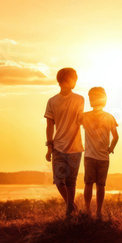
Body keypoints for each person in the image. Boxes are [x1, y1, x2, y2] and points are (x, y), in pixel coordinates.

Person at [45, 67, 85, 218]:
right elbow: (50, 126)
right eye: (73, 78)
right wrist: (49, 147)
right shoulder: (52, 101)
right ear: (62, 81)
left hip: (75, 146)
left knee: (71, 181)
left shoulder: (80, 99)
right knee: (58, 179)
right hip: (58, 146)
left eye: (76, 78)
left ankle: (69, 211)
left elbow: (79, 121)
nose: (75, 81)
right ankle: (72, 206)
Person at [81, 86, 119, 221]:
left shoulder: (89, 116)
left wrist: (110, 148)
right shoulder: (87, 116)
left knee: (94, 184)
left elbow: (115, 136)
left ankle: (94, 211)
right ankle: (92, 211)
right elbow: (116, 136)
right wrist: (110, 148)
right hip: (96, 156)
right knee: (95, 184)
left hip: (97, 156)